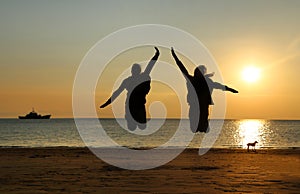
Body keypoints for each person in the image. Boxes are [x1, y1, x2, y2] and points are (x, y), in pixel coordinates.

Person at [171, 47, 238, 133]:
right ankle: (200, 126)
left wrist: (230, 89)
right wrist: (175, 57)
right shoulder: (192, 80)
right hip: (196, 104)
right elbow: (182, 68)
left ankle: (203, 126)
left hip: (202, 104)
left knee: (202, 122)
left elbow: (219, 86)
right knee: (195, 125)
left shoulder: (206, 81)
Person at [100, 47, 160, 130]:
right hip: (130, 105)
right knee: (132, 128)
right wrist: (107, 103)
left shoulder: (142, 77)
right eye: (133, 70)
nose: (134, 71)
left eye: (136, 70)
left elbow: (150, 66)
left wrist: (156, 55)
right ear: (132, 71)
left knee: (142, 127)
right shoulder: (127, 81)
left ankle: (140, 120)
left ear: (138, 71)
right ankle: (131, 119)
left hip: (139, 105)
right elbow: (117, 92)